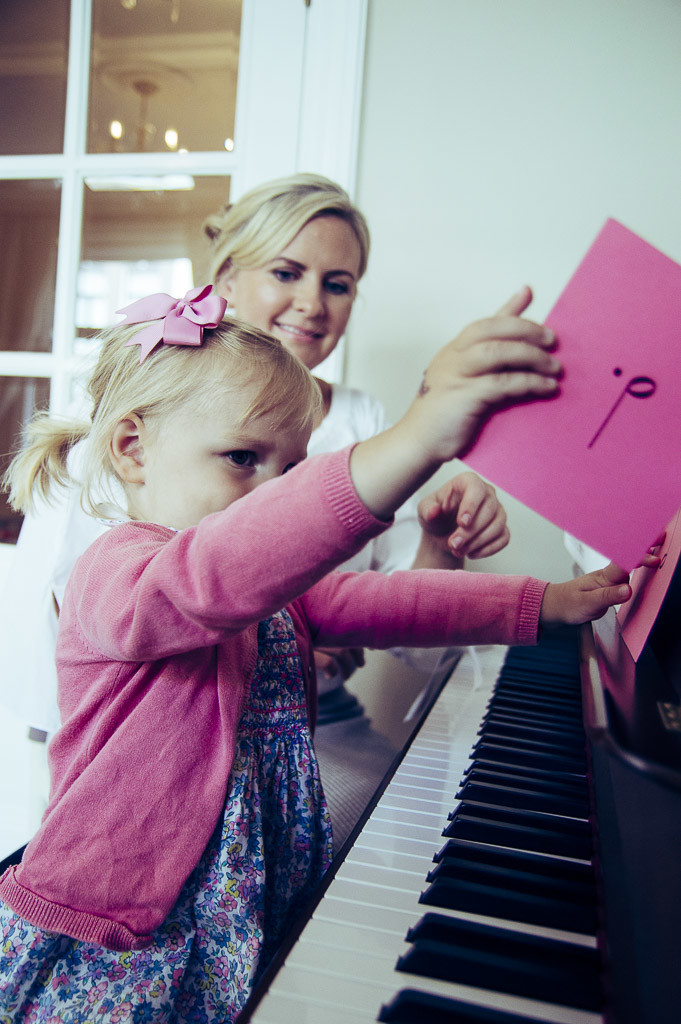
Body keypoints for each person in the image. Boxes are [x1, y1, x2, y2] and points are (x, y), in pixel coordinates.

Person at [0, 283, 634, 1021]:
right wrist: (417, 436)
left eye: (289, 469)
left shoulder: (269, 594)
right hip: (126, 924)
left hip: (236, 892)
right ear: (133, 448)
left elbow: (388, 602)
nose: (270, 491)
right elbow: (217, 573)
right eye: (241, 458)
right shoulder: (120, 574)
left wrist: (542, 603)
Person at [203, 172, 511, 705]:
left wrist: (440, 543)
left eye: (337, 284)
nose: (312, 302)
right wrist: (294, 644)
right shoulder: (164, 400)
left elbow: (419, 648)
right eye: (286, 272)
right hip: (190, 724)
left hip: (324, 720)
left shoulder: (361, 419)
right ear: (227, 279)